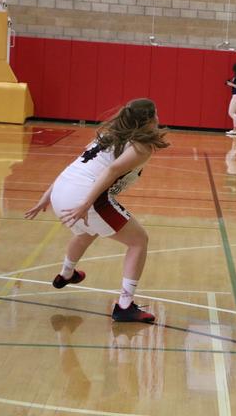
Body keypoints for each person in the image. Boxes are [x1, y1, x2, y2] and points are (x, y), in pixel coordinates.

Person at [25, 98, 170, 322]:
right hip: (82, 196)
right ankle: (124, 306)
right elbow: (112, 170)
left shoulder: (108, 136)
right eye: (156, 114)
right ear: (149, 120)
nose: (159, 118)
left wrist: (47, 197)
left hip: (61, 188)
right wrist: (85, 204)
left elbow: (77, 165)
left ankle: (67, 274)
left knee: (87, 232)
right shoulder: (142, 147)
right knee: (138, 241)